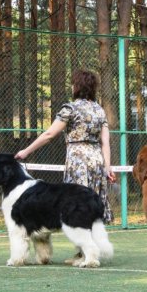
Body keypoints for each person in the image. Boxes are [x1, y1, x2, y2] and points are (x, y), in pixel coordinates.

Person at [15, 69, 116, 227]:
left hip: (78, 160)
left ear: (77, 86)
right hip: (97, 160)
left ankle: (85, 249)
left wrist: (26, 151)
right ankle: (92, 246)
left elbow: (49, 134)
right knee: (92, 203)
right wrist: (108, 167)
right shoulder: (99, 110)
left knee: (77, 204)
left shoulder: (70, 108)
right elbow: (105, 141)